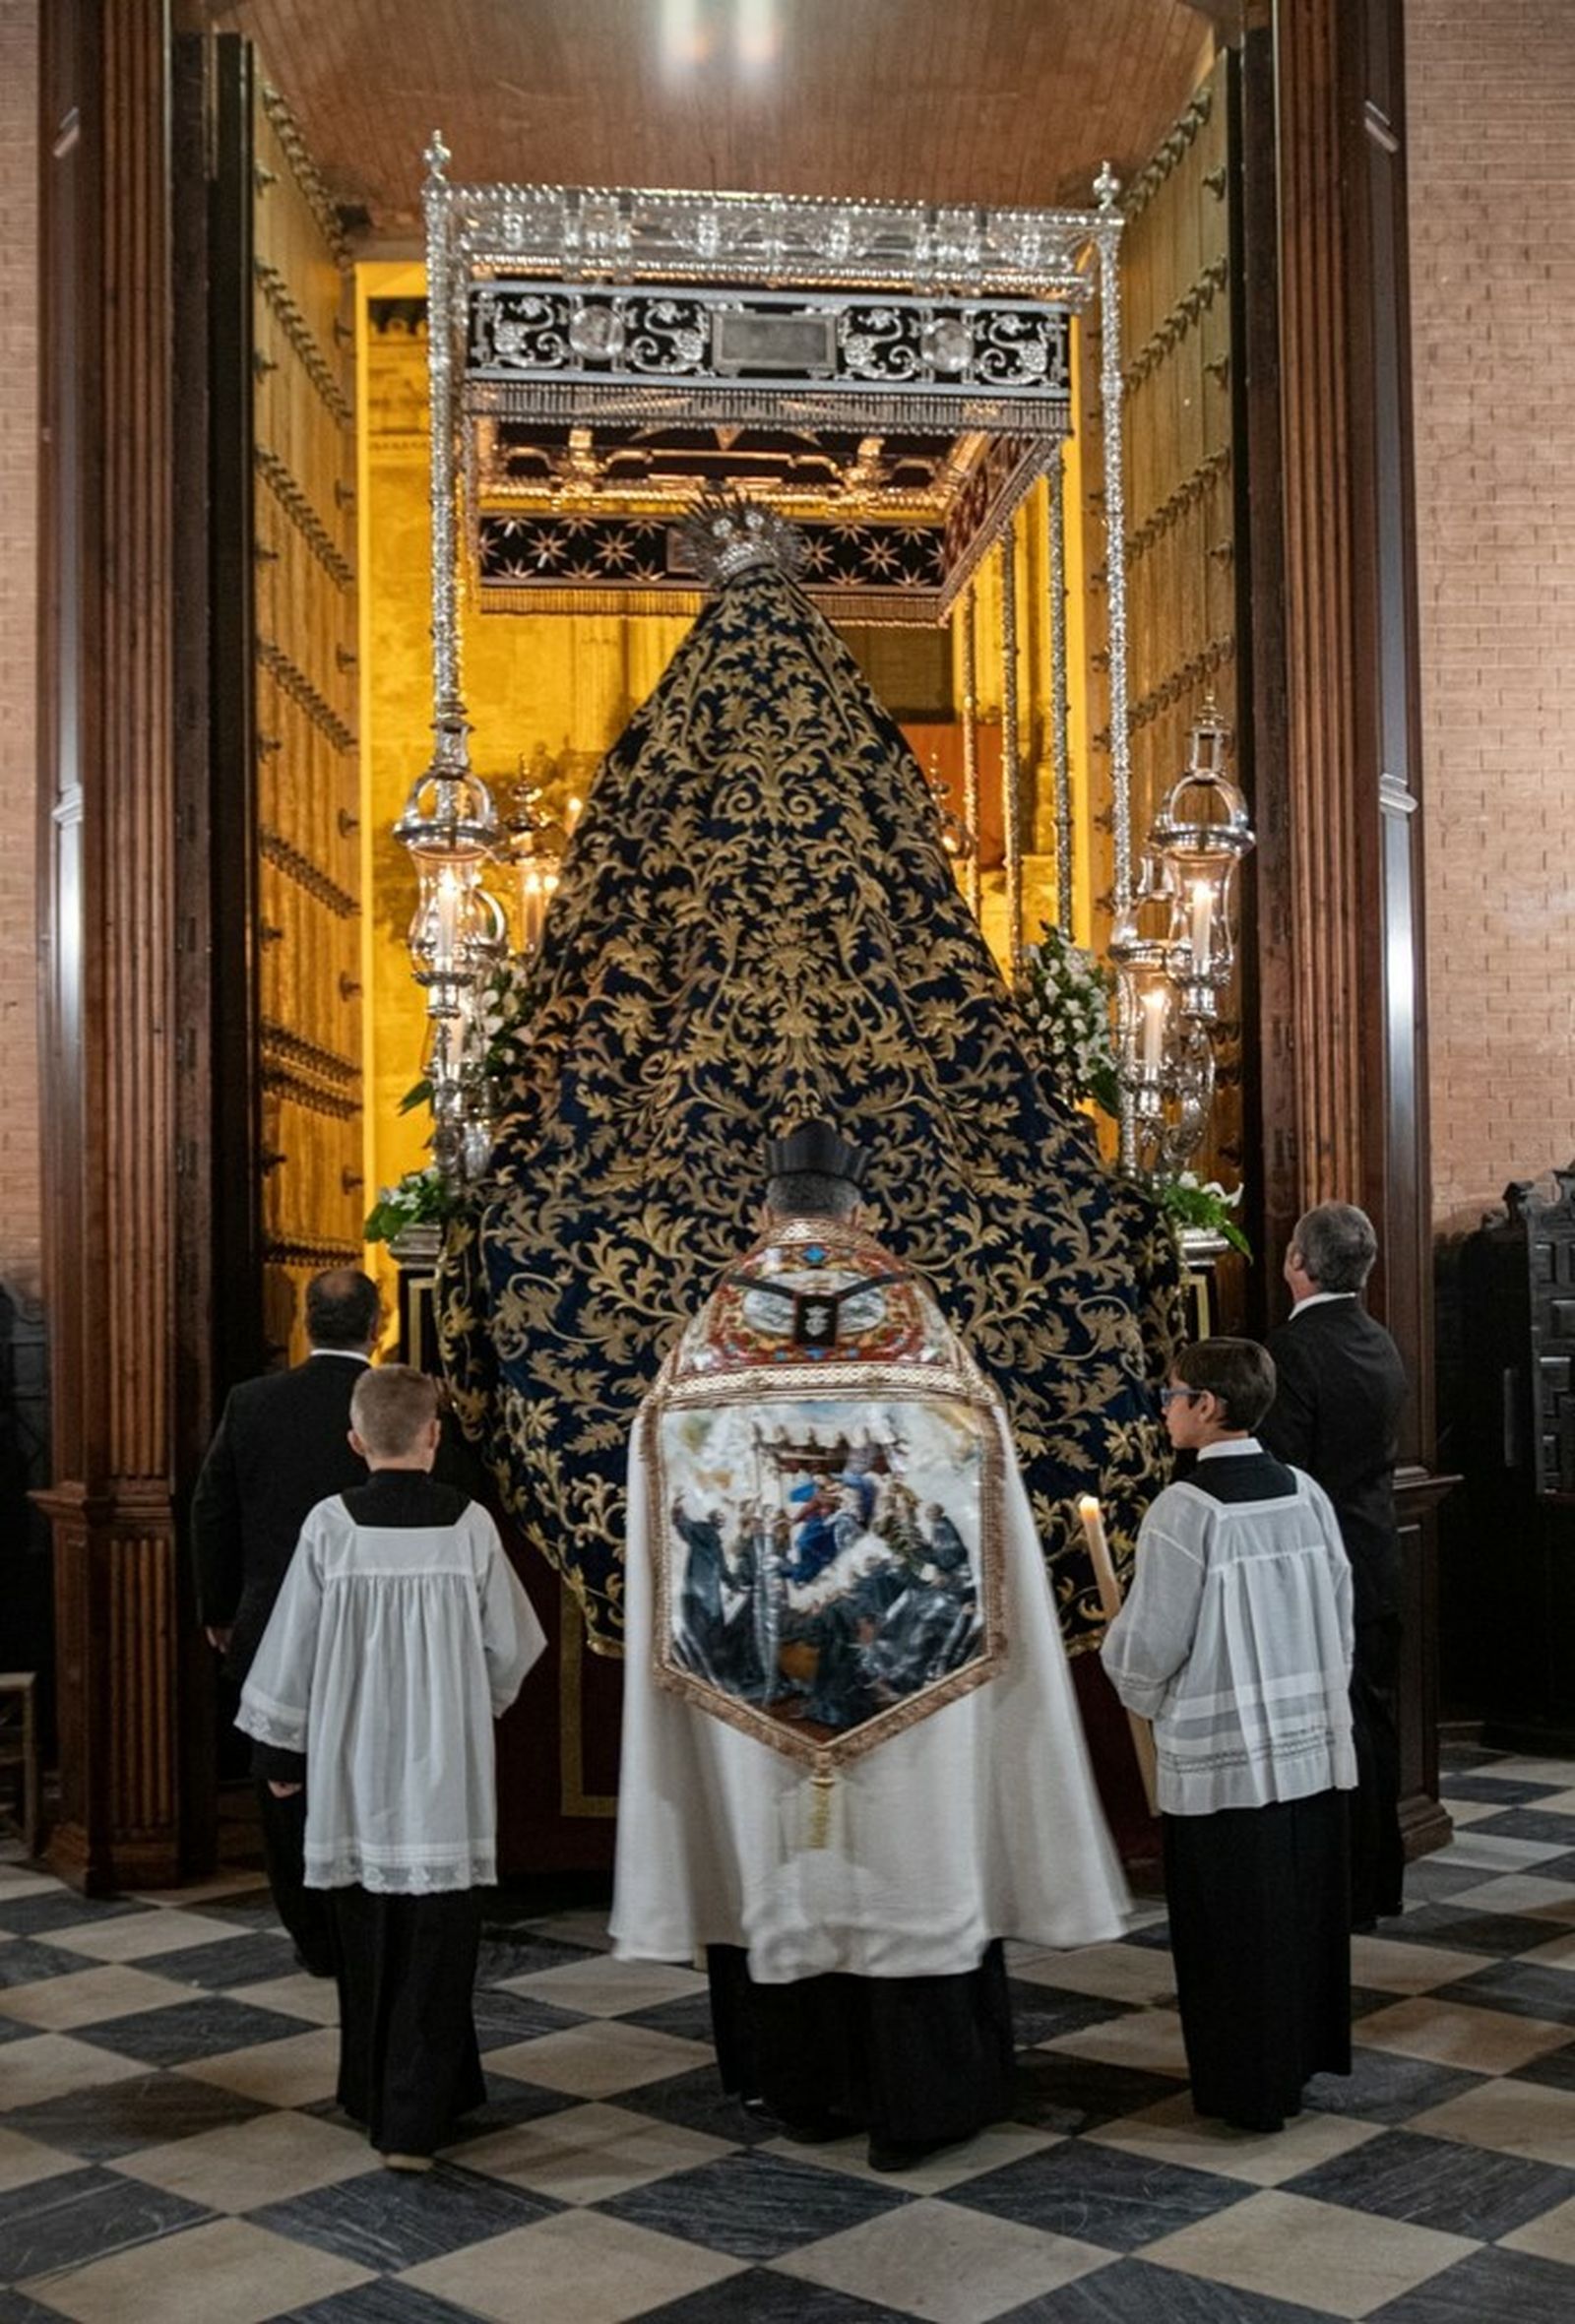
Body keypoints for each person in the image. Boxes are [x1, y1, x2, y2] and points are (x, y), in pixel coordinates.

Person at [611, 1118, 1129, 2171]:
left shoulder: (709, 1336)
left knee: (787, 1867)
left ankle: (804, 2090)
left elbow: (658, 1461)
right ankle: (922, 2100)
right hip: (916, 1673)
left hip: (757, 1688)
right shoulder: (919, 1326)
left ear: (765, 1209)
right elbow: (980, 1464)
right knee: (914, 1860)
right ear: (861, 1211)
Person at [235, 1364, 544, 2168]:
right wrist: (469, 1705)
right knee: (439, 1945)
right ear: (434, 1435)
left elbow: (291, 1650)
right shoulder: (469, 1525)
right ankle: (425, 2107)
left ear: (356, 1440)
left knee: (367, 1942)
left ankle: (379, 2099)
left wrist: (281, 1751)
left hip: (354, 1774)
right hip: (444, 1778)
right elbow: (513, 1646)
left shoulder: (329, 1526)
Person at [1102, 1338, 1355, 2134]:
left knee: (1233, 1934)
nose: (1164, 1409)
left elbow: (1151, 1644)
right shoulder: (1306, 1493)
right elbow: (1339, 1611)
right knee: (1296, 1919)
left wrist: (1132, 1678)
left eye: (1171, 1395)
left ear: (1207, 1405)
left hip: (1225, 1764)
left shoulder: (1185, 1509)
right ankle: (1296, 2064)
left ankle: (1247, 2089)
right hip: (1306, 1753)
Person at [190, 1267, 382, 1973]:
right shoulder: (391, 1402)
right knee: (370, 1771)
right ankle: (372, 1922)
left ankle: (313, 1935)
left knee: (282, 1783)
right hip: (375, 1627)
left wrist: (219, 1609)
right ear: (377, 1325)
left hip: (269, 1623)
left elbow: (212, 1508)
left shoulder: (253, 1401)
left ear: (305, 1322)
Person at [1258, 1202, 1410, 1927]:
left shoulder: (1292, 1351)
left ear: (1299, 1263)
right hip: (1376, 1550)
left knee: (1333, 1728)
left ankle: (1342, 1890)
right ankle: (1379, 1881)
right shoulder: (1379, 1338)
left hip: (1318, 1565)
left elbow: (1282, 1469)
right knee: (1372, 1719)